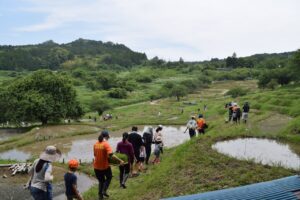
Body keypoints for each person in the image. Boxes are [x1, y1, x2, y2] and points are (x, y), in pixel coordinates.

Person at [94, 130, 124, 199]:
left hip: (96, 167)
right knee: (109, 177)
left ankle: (100, 196)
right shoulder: (106, 144)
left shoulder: (95, 144)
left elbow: (95, 155)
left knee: (101, 181)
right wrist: (120, 161)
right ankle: (104, 190)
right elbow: (111, 155)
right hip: (104, 167)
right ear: (107, 136)